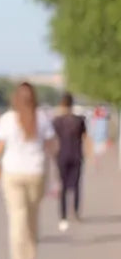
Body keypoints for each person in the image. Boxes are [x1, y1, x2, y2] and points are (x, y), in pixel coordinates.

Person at [0, 82, 56, 259]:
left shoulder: (7, 119)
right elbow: (52, 145)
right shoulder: (43, 118)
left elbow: (0, 147)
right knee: (32, 220)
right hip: (36, 172)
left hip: (13, 173)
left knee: (17, 220)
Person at [52, 92, 87, 230]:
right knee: (77, 185)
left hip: (62, 156)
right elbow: (85, 137)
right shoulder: (79, 120)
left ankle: (63, 215)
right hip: (77, 155)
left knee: (63, 186)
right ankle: (76, 211)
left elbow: (53, 140)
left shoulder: (57, 121)